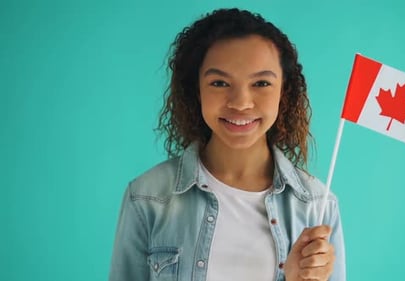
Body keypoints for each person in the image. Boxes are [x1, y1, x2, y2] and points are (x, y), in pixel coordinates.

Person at [109, 8, 345, 281]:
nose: (241, 102)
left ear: (284, 92)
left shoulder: (318, 206)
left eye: (261, 83)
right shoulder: (147, 198)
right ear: (196, 90)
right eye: (219, 82)